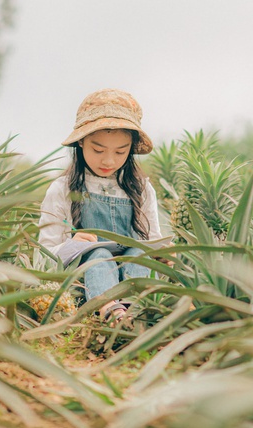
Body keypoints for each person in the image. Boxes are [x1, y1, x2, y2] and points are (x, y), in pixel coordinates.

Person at [38, 88, 165, 326]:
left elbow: (153, 241)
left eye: (120, 151)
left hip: (132, 274)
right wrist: (72, 246)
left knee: (139, 254)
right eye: (98, 150)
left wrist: (163, 254)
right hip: (82, 286)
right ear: (81, 143)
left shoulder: (142, 189)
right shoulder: (62, 189)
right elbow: (44, 254)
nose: (109, 161)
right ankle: (108, 310)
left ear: (131, 149)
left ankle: (133, 311)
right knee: (99, 254)